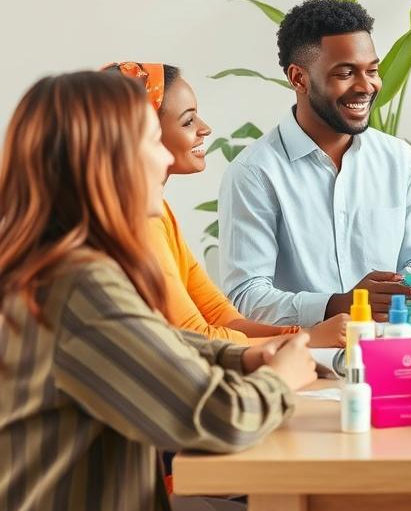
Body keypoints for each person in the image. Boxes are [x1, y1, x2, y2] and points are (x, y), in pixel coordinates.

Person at [0, 72, 318, 511]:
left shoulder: (58, 268)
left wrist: (247, 354)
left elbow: (159, 342)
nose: (166, 159)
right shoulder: (83, 285)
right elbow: (219, 418)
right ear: (107, 162)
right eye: (154, 143)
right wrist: (280, 380)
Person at [219, 0, 411, 511]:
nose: (366, 85)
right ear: (299, 78)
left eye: (372, 68)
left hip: (391, 363)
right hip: (304, 369)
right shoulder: (256, 174)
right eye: (345, 72)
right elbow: (243, 298)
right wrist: (339, 303)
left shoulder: (397, 161)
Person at [107, 61, 346, 348]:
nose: (205, 129)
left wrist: (301, 337)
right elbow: (197, 338)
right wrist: (308, 340)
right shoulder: (137, 220)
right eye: (188, 121)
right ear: (138, 135)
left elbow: (221, 316)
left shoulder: (158, 211)